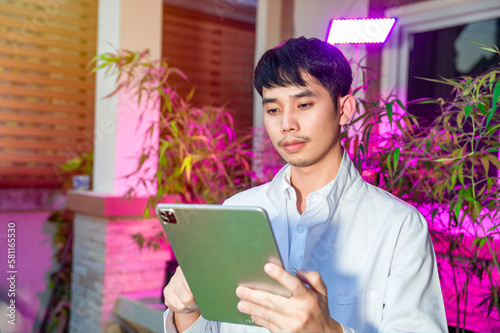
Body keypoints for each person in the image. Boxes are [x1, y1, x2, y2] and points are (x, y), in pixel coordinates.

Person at [162, 36, 448, 332]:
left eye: (304, 104)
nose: (287, 124)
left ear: (345, 109)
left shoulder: (399, 226)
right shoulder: (237, 210)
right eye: (273, 110)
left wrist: (327, 330)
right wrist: (187, 312)